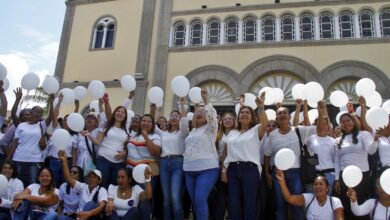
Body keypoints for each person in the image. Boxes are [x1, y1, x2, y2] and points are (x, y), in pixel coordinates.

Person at [263, 99, 326, 220]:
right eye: (279, 113)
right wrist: (266, 173)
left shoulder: (298, 130)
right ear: (276, 118)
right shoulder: (273, 135)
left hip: (295, 173)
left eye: (284, 113)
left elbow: (320, 129)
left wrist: (321, 110)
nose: (282, 115)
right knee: (280, 205)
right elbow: (267, 154)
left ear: (289, 116)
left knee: (296, 205)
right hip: (278, 174)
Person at [221, 92, 267, 220]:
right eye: (242, 112)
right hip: (232, 170)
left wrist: (261, 107)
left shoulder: (255, 130)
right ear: (238, 117)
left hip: (250, 170)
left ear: (252, 118)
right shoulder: (231, 133)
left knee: (249, 204)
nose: (244, 114)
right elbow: (226, 154)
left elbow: (265, 124)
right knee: (233, 204)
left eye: (247, 112)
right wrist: (224, 169)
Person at [183, 89, 219, 220]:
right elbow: (183, 128)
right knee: (195, 202)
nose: (200, 113)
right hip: (188, 170)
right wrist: (183, 108)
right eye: (197, 112)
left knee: (200, 198)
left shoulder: (211, 129)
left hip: (207, 169)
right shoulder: (191, 132)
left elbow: (213, 118)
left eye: (203, 112)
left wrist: (206, 102)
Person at [334, 112, 377, 219]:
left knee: (360, 201)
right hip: (345, 176)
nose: (346, 123)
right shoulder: (338, 140)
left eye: (348, 120)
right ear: (340, 124)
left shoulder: (363, 134)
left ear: (353, 121)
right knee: (346, 202)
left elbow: (371, 151)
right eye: (343, 122)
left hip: (361, 175)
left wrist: (375, 140)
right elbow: (337, 161)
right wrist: (337, 179)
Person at [154, 97, 188, 220]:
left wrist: (182, 106)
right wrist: (157, 108)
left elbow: (184, 122)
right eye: (172, 115)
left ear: (179, 119)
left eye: (176, 116)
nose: (174, 117)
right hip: (163, 164)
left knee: (175, 197)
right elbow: (153, 125)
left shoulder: (183, 133)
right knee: (166, 199)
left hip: (178, 164)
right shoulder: (163, 133)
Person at [8, 96, 54, 187]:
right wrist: (10, 156)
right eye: (36, 111)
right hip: (19, 158)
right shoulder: (21, 126)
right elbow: (15, 143)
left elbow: (51, 116)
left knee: (32, 184)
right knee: (17, 184)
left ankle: (31, 201)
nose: (37, 113)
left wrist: (51, 103)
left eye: (40, 112)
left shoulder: (42, 125)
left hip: (34, 160)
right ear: (31, 112)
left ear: (41, 116)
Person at [84, 105, 129, 188]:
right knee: (101, 185)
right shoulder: (106, 126)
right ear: (114, 113)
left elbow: (129, 146)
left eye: (123, 112)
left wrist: (124, 153)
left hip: (119, 164)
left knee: (114, 187)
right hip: (103, 161)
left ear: (125, 116)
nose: (120, 113)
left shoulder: (126, 130)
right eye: (118, 111)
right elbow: (97, 142)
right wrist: (89, 135)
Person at [127, 113, 161, 220]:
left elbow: (155, 152)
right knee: (133, 201)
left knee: (144, 201)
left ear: (153, 125)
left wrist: (146, 136)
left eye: (149, 121)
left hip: (146, 175)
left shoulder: (155, 136)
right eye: (144, 120)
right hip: (131, 173)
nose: (145, 123)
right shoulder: (133, 135)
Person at [275, 170, 344, 220]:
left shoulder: (335, 201)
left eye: (320, 184)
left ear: (327, 188)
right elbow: (289, 198)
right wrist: (282, 181)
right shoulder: (309, 198)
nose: (317, 186)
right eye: (315, 184)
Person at [58, 150, 107, 220]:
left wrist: (87, 214)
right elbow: (68, 179)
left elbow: (101, 207)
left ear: (99, 181)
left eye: (94, 177)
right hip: (78, 217)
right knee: (61, 218)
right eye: (90, 177)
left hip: (92, 217)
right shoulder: (82, 187)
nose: (91, 179)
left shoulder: (101, 190)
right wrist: (64, 161)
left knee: (91, 204)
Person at [209, 112, 236, 220]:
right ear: (222, 121)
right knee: (221, 195)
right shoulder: (218, 135)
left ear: (234, 121)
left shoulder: (237, 133)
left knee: (232, 196)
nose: (228, 120)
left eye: (230, 118)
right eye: (225, 119)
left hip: (233, 167)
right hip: (220, 167)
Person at [305, 116, 337, 194]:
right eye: (319, 124)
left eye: (325, 124)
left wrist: (336, 178)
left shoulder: (334, 141)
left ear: (328, 126)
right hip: (313, 175)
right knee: (311, 199)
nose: (322, 126)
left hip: (329, 175)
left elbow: (336, 160)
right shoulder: (310, 139)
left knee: (327, 200)